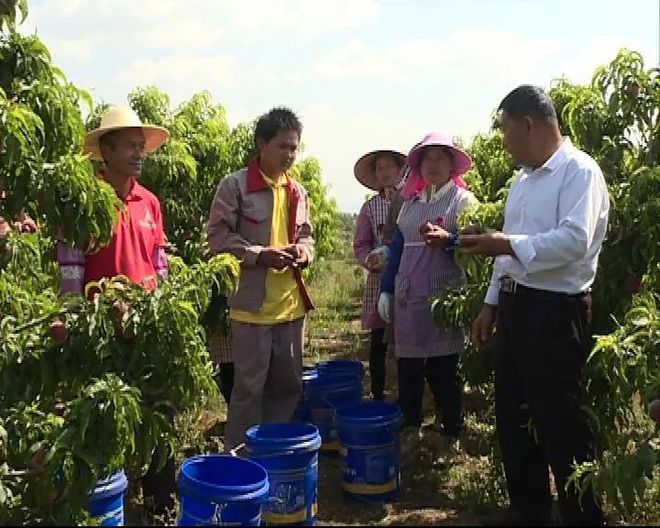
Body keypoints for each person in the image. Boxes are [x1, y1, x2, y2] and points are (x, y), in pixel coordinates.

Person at [461, 85, 609, 526]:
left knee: (561, 422)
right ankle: (530, 510)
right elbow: (506, 252)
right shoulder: (523, 181)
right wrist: (490, 303)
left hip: (556, 312)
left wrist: (505, 243)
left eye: (505, 129)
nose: (503, 140)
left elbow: (575, 241)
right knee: (514, 414)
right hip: (515, 307)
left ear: (529, 125)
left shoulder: (579, 172)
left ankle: (583, 517)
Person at [55, 105, 174, 516]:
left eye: (141, 146)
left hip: (148, 324)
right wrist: (72, 316)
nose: (139, 153)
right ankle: (111, 504)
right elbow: (71, 266)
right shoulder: (87, 202)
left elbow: (159, 264)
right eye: (130, 146)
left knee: (157, 414)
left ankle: (162, 505)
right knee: (108, 416)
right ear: (105, 151)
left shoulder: (150, 203)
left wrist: (164, 308)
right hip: (101, 327)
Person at [207, 106, 314, 451]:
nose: (289, 155)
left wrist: (303, 252)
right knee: (248, 390)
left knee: (288, 386)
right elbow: (218, 239)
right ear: (261, 144)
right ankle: (239, 459)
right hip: (251, 308)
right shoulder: (236, 186)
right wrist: (258, 255)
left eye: (294, 148)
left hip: (290, 307)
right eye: (282, 146)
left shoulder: (297, 190)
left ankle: (271, 451)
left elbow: (307, 235)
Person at [378, 132, 477, 439]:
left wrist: (450, 241)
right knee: (408, 365)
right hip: (409, 295)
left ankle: (451, 428)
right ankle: (410, 426)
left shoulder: (462, 201)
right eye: (427, 159)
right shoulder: (410, 202)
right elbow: (398, 246)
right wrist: (386, 288)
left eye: (440, 157)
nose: (433, 164)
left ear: (452, 164)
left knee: (444, 366)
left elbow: (475, 245)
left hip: (443, 297)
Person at [352, 148, 406, 401]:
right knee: (378, 342)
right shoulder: (370, 208)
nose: (385, 172)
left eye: (389, 167)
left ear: (400, 170)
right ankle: (377, 395)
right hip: (378, 280)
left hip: (407, 277)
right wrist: (369, 261)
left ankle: (408, 395)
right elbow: (361, 244)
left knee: (408, 339)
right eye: (379, 168)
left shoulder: (411, 200)